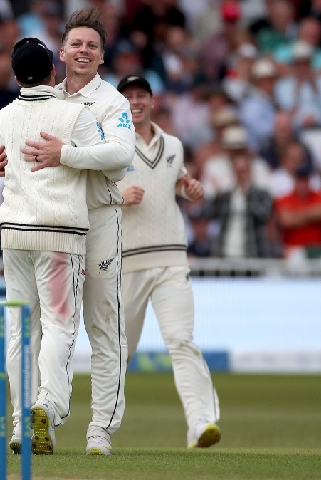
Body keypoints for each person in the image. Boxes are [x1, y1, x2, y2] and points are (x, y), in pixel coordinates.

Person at [0, 8, 135, 455]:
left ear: (102, 55)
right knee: (41, 326)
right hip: (56, 224)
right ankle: (39, 420)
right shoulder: (45, 96)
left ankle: (99, 431)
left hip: (97, 219)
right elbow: (17, 150)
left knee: (103, 325)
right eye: (76, 43)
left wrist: (67, 153)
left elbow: (121, 154)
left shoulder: (112, 102)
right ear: (61, 51)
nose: (84, 51)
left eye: (92, 45)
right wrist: (0, 162)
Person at [115, 75, 221, 448]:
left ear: (152, 101)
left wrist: (190, 189)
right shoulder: (111, 145)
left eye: (141, 95)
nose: (135, 102)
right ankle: (100, 430)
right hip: (126, 263)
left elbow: (179, 182)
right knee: (118, 353)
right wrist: (118, 195)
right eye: (128, 96)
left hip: (172, 258)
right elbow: (90, 192)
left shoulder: (173, 145)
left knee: (181, 340)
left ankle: (200, 424)